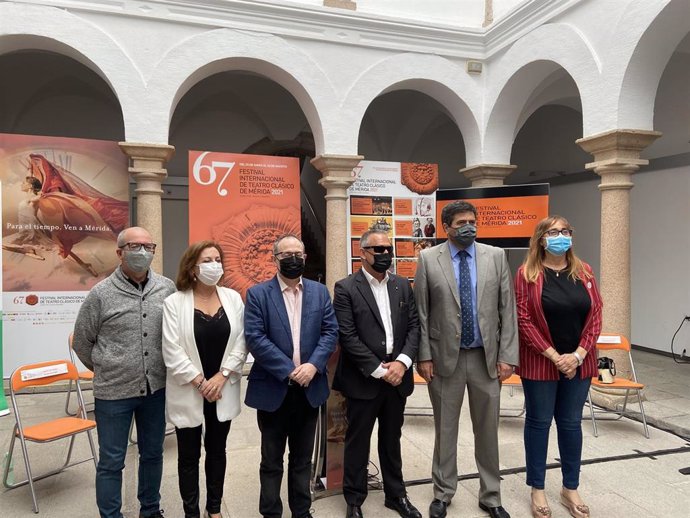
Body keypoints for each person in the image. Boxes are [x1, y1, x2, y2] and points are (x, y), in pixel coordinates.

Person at [414, 200, 518, 518]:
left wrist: (507, 356)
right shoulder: (429, 259)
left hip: (486, 360)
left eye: (472, 221)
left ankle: (491, 495)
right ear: (447, 227)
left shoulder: (496, 257)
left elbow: (507, 310)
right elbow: (421, 313)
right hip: (446, 360)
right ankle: (443, 492)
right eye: (461, 222)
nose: (469, 226)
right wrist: (424, 356)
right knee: (445, 429)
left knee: (487, 430)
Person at [73, 226, 176, 518]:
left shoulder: (166, 288)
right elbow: (82, 341)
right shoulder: (100, 294)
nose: (142, 252)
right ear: (119, 252)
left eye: (148, 246)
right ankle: (111, 515)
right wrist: (109, 367)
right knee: (112, 461)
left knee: (153, 454)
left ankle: (151, 509)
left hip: (155, 390)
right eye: (134, 246)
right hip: (113, 393)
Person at [244, 234, 339, 518]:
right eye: (286, 255)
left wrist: (313, 366)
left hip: (310, 388)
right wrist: (290, 370)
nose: (293, 259)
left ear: (305, 257)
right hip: (274, 389)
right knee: (271, 460)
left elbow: (330, 332)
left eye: (298, 253)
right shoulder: (258, 294)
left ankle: (302, 510)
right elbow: (255, 338)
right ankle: (271, 511)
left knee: (301, 459)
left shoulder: (319, 292)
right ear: (274, 259)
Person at [514, 216, 602, 518]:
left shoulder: (585, 272)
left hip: (579, 362)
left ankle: (570, 487)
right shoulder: (527, 273)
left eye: (565, 231)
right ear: (541, 239)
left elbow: (596, 316)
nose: (560, 236)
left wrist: (577, 356)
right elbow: (523, 320)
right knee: (539, 424)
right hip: (541, 361)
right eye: (553, 232)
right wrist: (555, 356)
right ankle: (537, 489)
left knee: (570, 424)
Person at [333, 230, 422, 518]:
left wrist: (402, 363)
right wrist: (377, 370)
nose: (385, 253)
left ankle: (396, 495)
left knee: (391, 439)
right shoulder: (346, 287)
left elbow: (413, 327)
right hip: (364, 378)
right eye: (378, 249)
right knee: (358, 441)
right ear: (363, 253)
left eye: (388, 248)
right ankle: (354, 500)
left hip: (398, 376)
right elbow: (347, 335)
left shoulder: (401, 285)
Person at [162, 240, 248, 518]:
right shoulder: (174, 302)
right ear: (192, 268)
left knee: (217, 450)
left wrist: (222, 377)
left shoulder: (233, 298)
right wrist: (201, 382)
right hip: (190, 389)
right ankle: (191, 512)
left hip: (222, 388)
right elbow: (171, 349)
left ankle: (214, 508)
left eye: (217, 259)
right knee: (188, 457)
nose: (214, 265)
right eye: (207, 261)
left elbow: (243, 341)